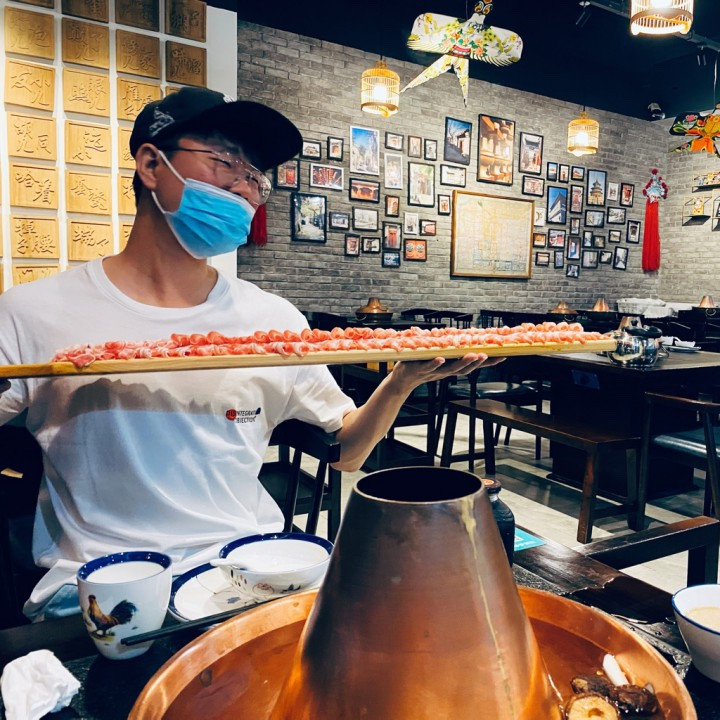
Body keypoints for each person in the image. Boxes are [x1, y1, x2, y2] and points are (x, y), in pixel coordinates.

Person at [0, 87, 495, 621]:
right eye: (225, 162)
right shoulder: (34, 313)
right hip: (102, 586)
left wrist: (401, 382)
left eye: (257, 177)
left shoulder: (272, 319)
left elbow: (347, 450)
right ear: (151, 164)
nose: (244, 187)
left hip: (248, 570)